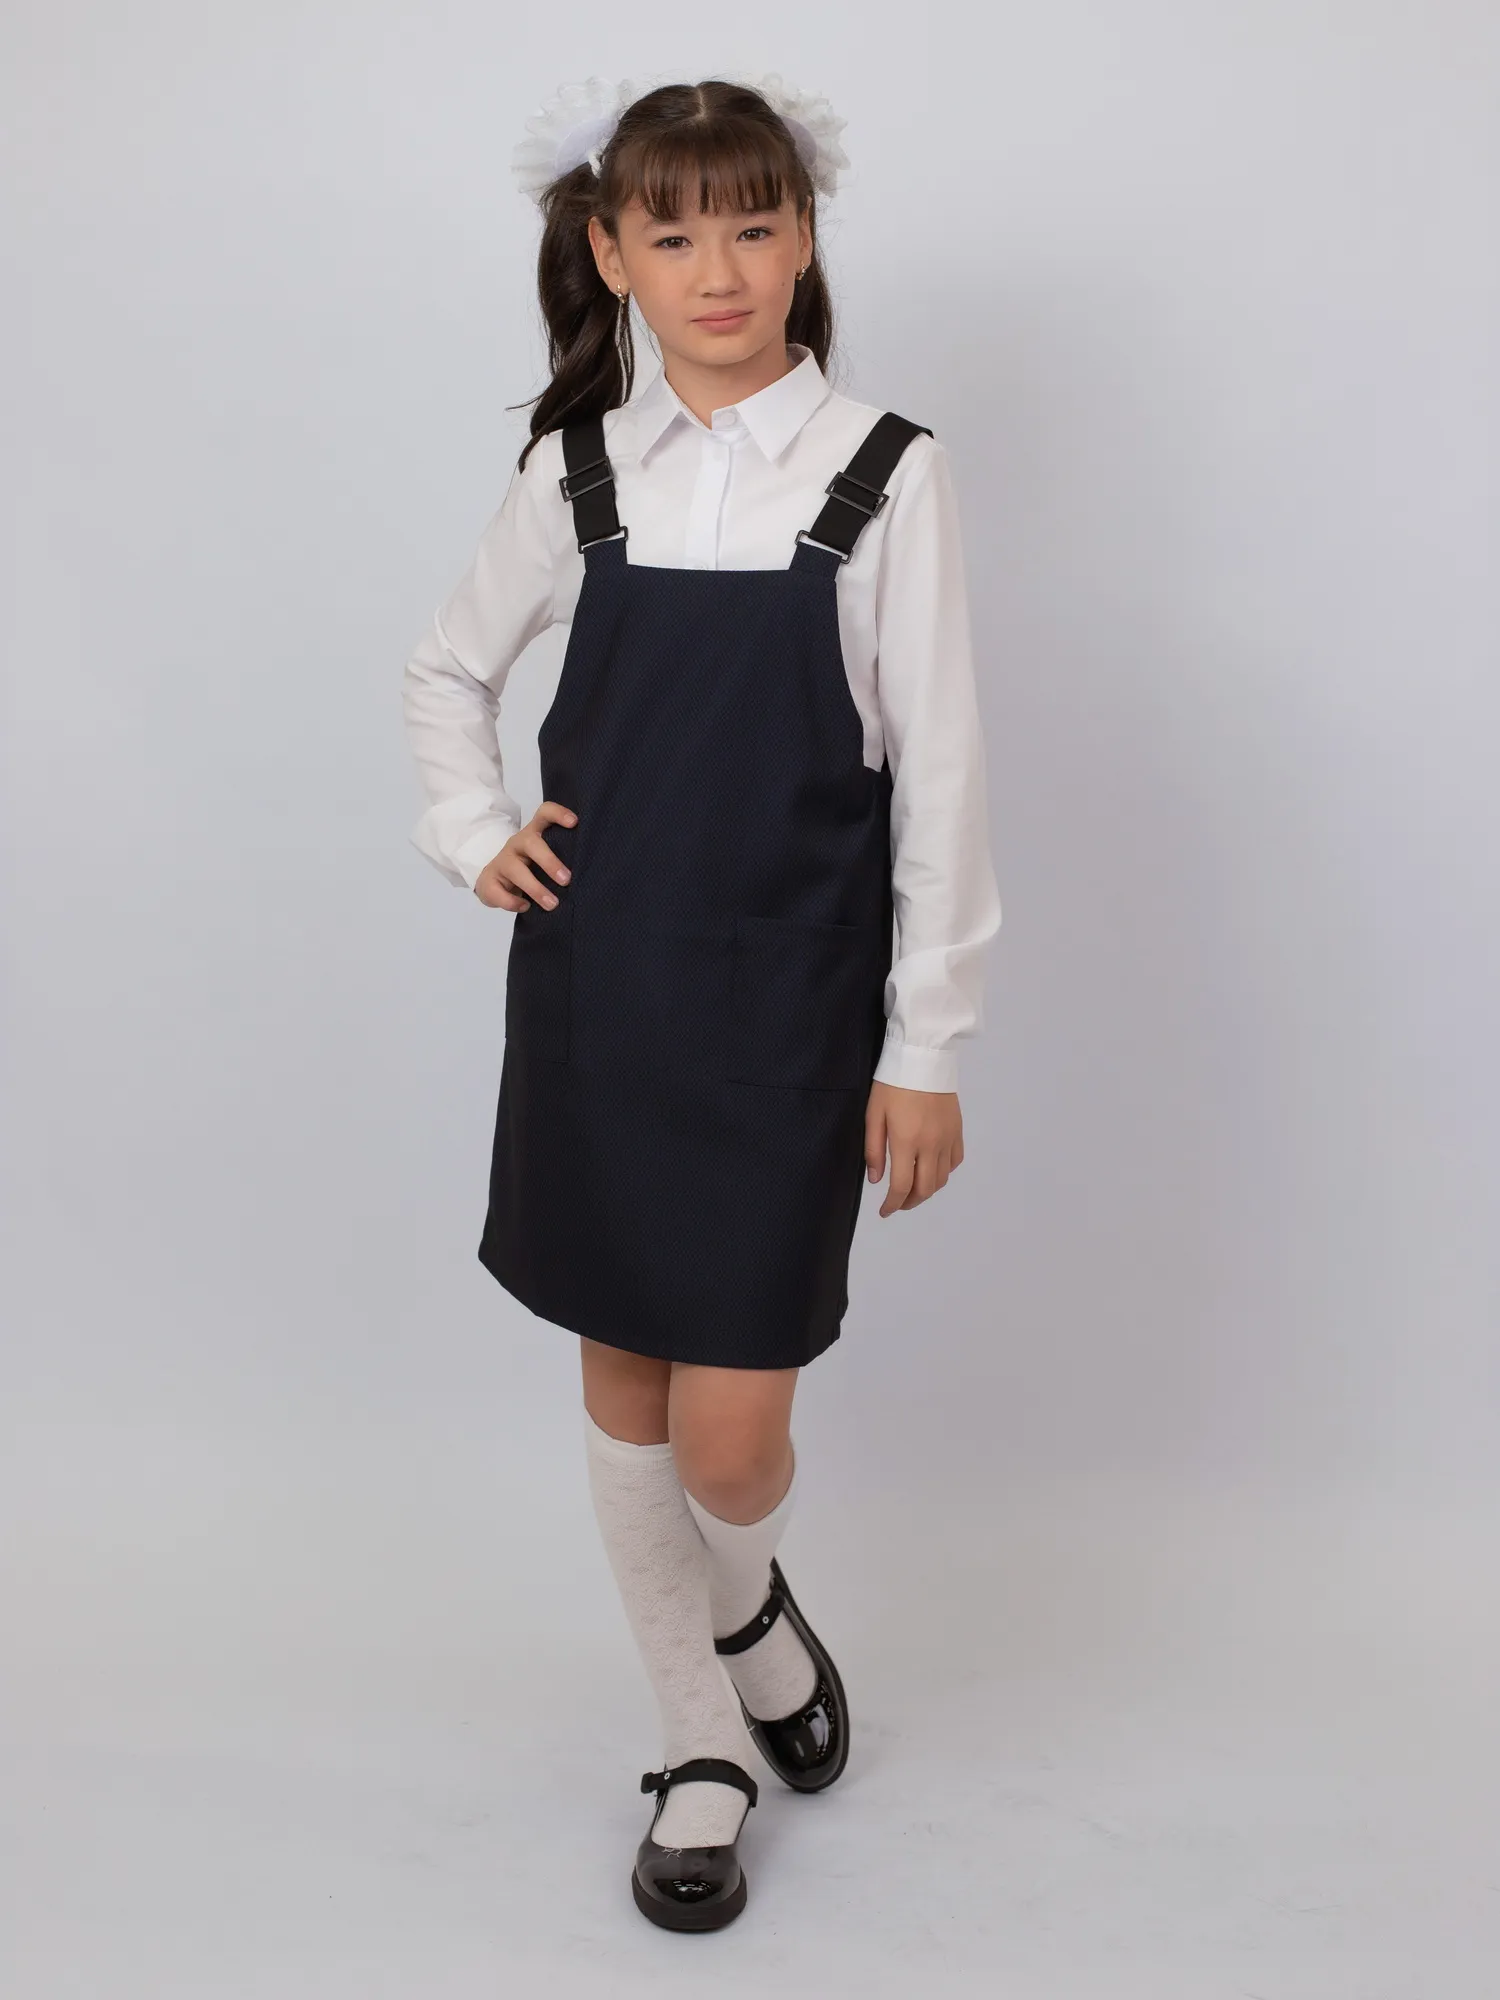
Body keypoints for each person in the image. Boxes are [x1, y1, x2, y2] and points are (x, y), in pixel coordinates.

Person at [400, 73, 1002, 1931]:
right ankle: (698, 1745)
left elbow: (943, 778)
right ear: (612, 254)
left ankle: (743, 1608)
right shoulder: (580, 473)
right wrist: (475, 832)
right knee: (625, 1386)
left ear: (804, 239)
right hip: (601, 999)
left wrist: (926, 1046)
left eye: (754, 225)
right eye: (673, 234)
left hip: (791, 1012)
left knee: (731, 1437)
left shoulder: (885, 473)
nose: (718, 268)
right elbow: (446, 672)